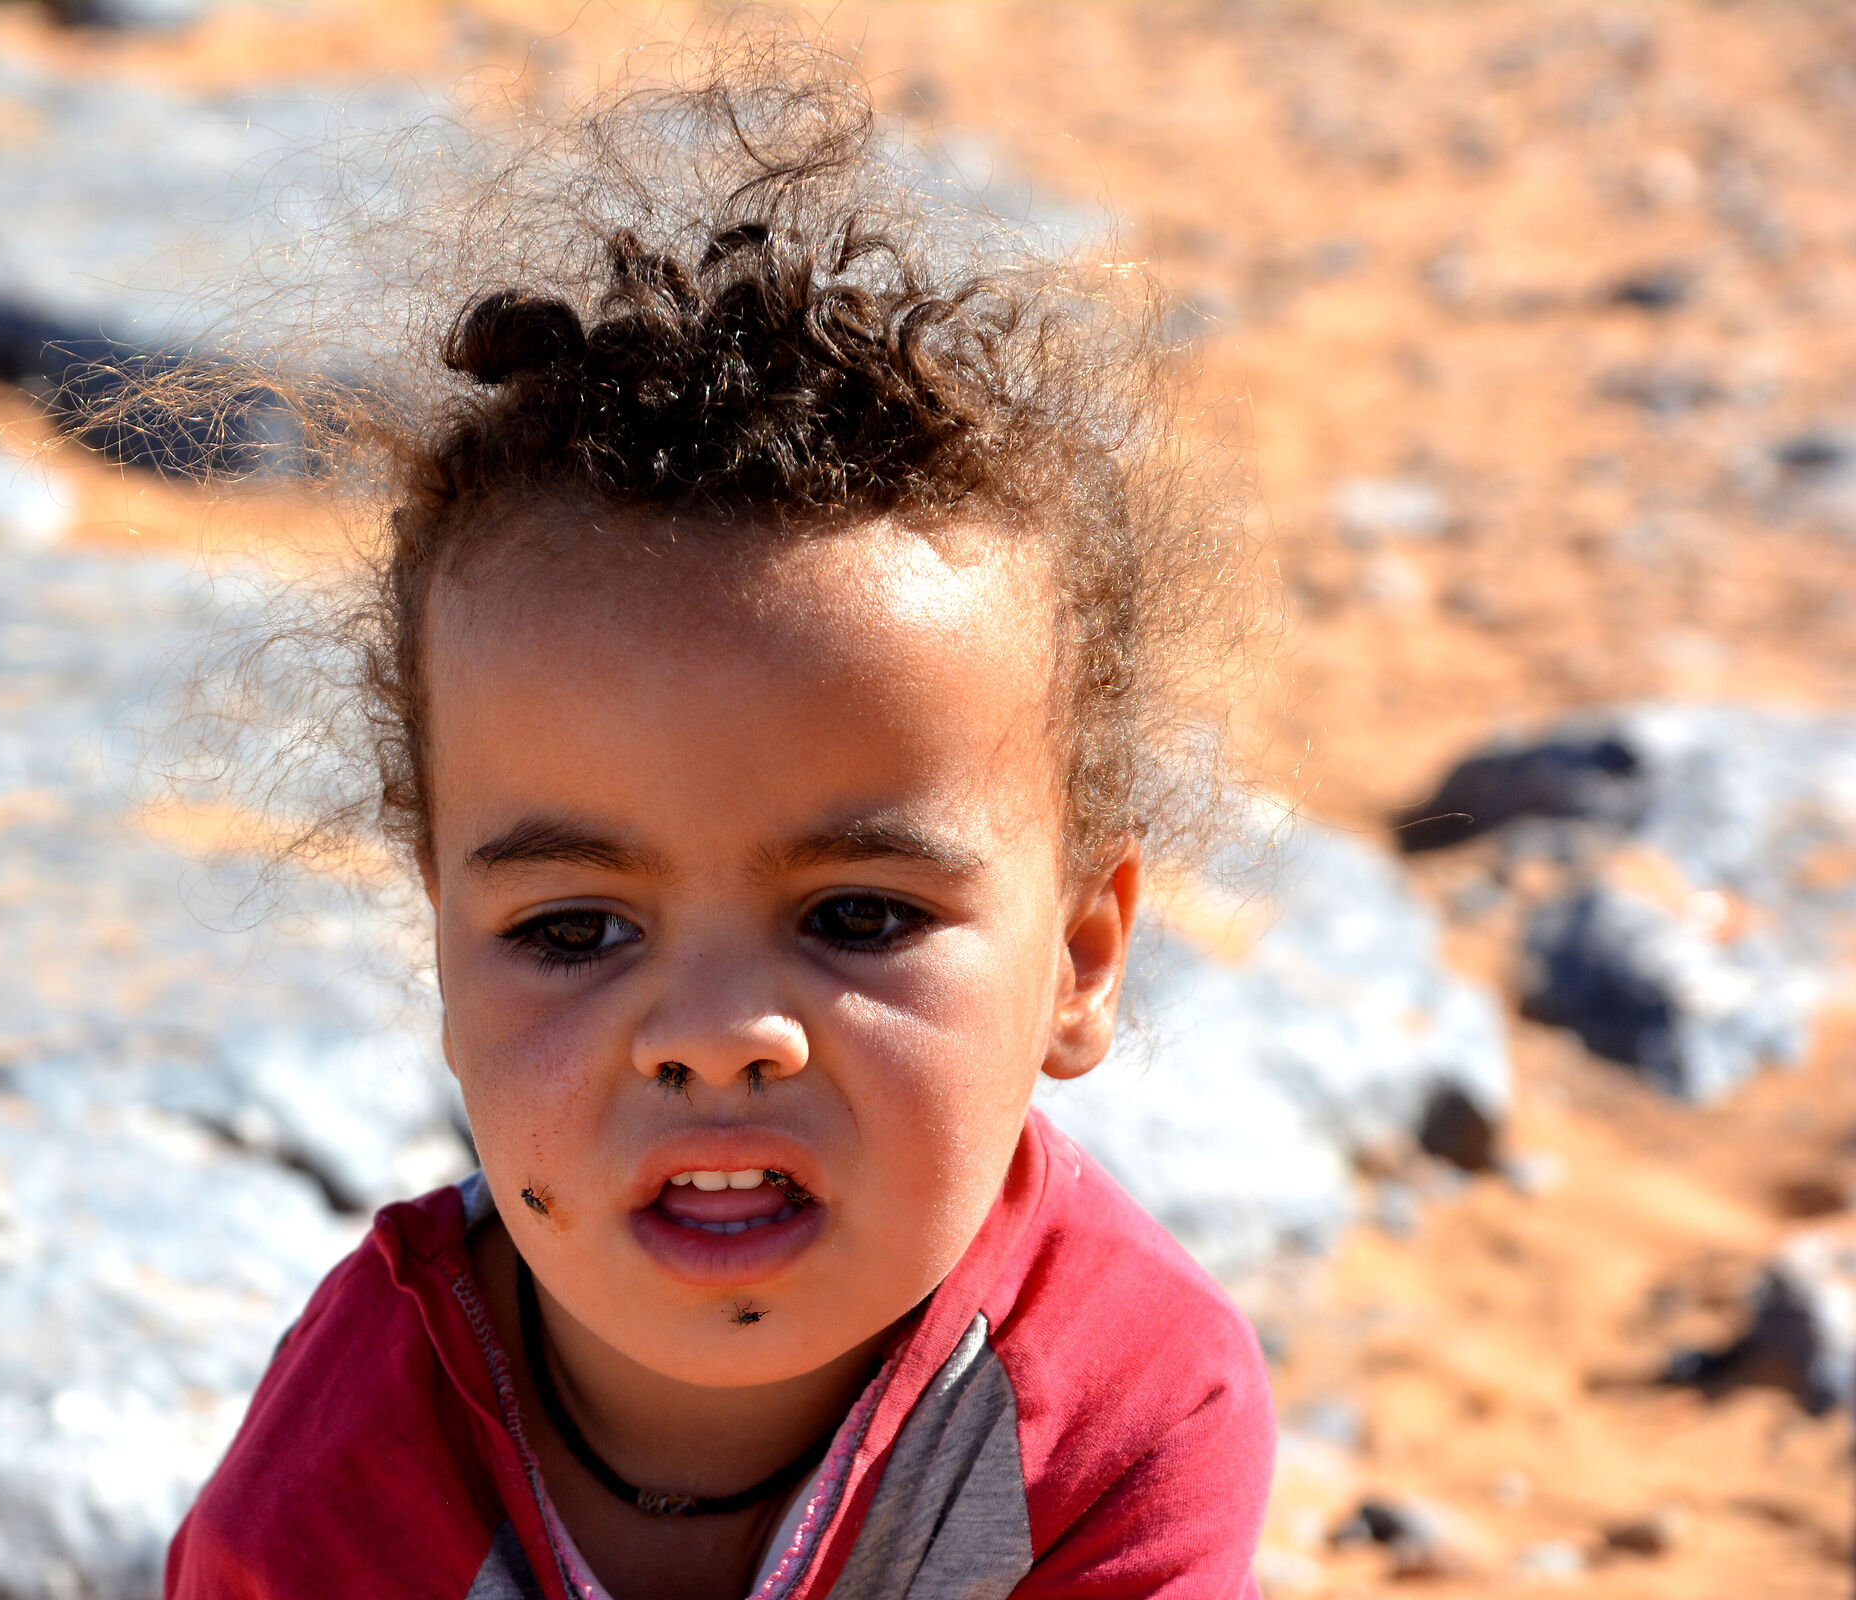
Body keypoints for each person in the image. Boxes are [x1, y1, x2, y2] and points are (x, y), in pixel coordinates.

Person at [160, 45, 1273, 1600]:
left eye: (860, 914)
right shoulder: (341, 1497)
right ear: (442, 962)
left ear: (1080, 960)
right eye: (571, 931)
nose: (719, 1036)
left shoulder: (1117, 1413)